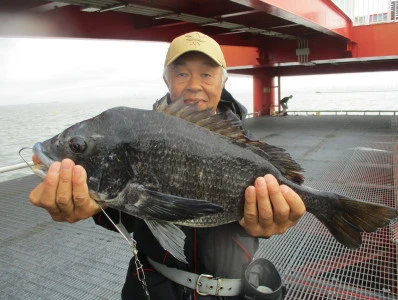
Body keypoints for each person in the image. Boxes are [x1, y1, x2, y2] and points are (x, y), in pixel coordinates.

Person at [29, 31, 306, 299]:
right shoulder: (139, 136)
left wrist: (272, 220)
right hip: (151, 287)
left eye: (207, 74)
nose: (194, 84)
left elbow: (276, 207)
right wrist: (96, 207)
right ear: (167, 80)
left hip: (232, 291)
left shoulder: (250, 150)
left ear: (223, 81)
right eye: (182, 73)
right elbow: (125, 213)